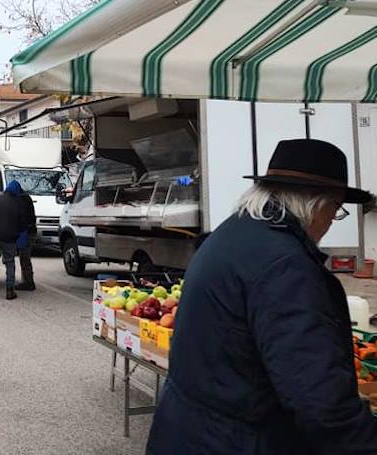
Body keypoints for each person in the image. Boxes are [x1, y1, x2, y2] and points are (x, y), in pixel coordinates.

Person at [146, 139, 377, 454]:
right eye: (335, 211)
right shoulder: (284, 266)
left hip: (191, 430)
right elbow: (319, 399)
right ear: (316, 204)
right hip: (235, 440)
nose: (329, 224)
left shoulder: (233, 232)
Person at [14, 189, 38, 291]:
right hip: (29, 231)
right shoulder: (25, 198)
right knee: (25, 258)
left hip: (26, 232)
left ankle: (28, 282)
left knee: (24, 258)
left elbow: (21, 217)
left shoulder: (22, 200)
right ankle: (27, 280)